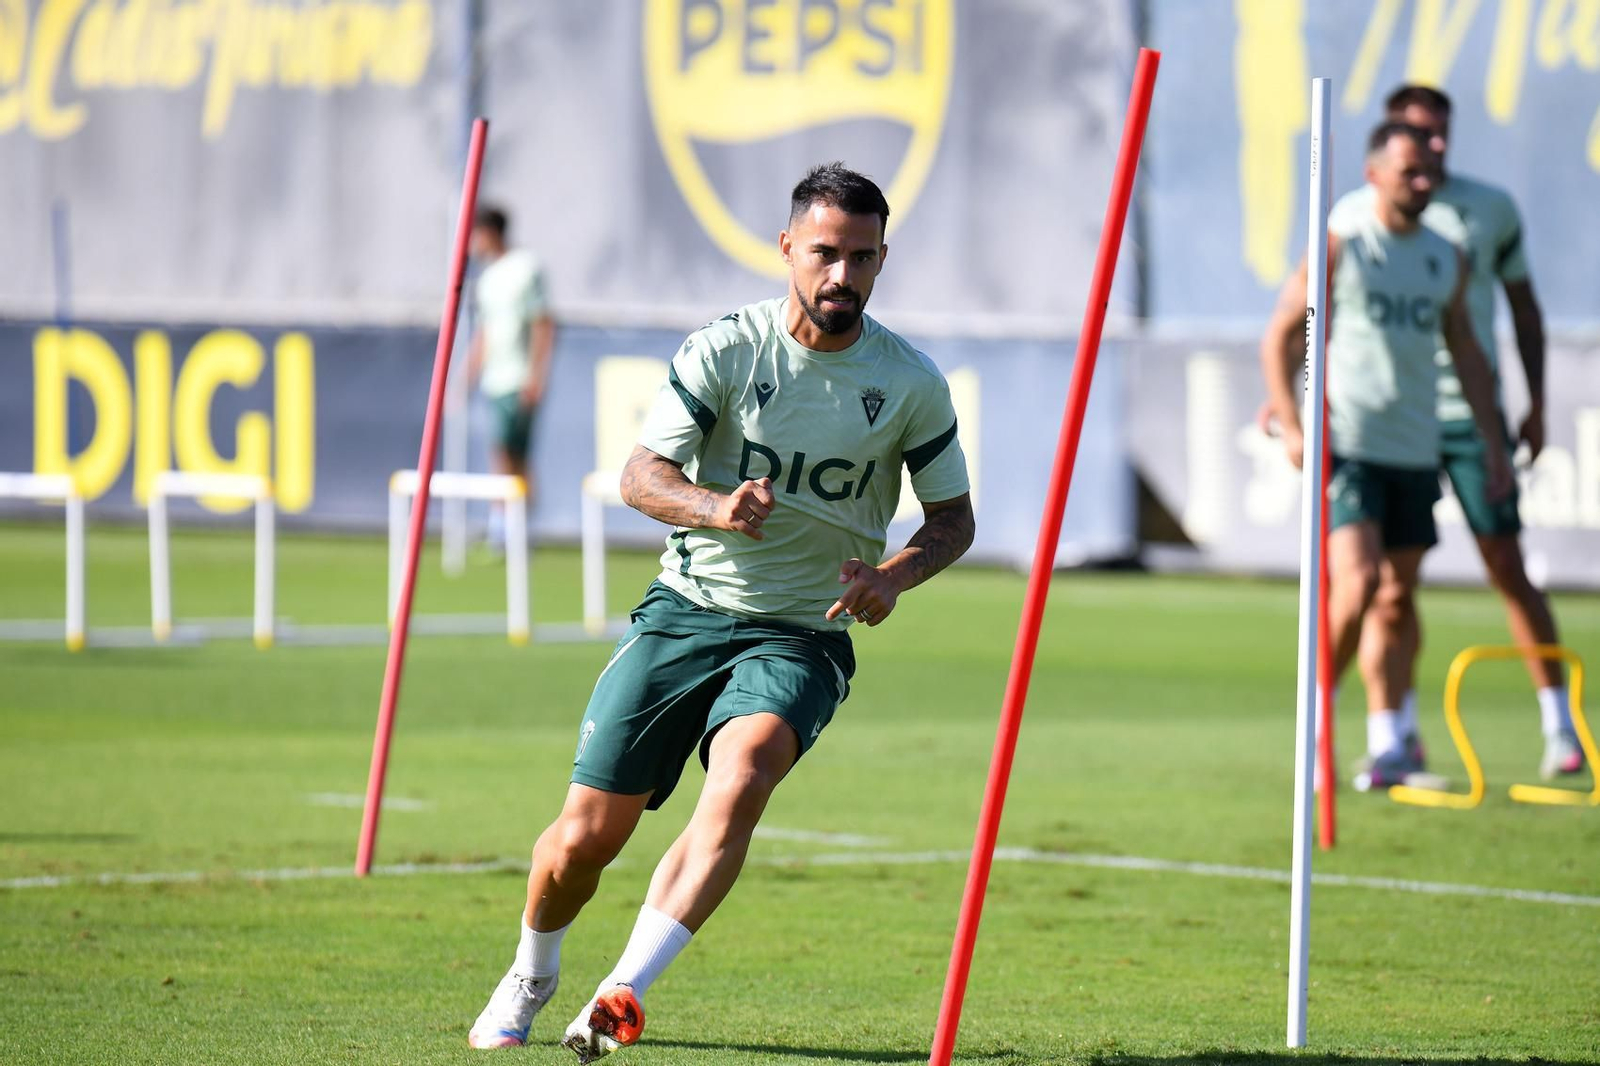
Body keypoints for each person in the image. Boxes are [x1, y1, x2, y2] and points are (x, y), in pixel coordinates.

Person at [466, 163, 975, 1060]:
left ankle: (620, 992)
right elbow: (640, 476)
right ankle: (534, 969)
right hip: (687, 610)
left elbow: (953, 520)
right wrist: (715, 508)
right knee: (582, 842)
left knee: (743, 776)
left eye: (862, 259)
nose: (841, 277)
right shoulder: (726, 351)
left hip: (805, 633)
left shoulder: (909, 383)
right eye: (825, 253)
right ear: (787, 248)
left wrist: (892, 578)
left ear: (882, 259)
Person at [1337, 85, 1579, 780]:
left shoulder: (1488, 209)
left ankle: (1560, 728)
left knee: (1507, 563)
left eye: (1442, 137)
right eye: (1417, 138)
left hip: (1470, 414)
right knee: (1383, 589)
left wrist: (1531, 404)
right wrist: (1295, 399)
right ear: (1388, 146)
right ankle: (1397, 735)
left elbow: (1521, 311)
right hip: (1387, 421)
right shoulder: (1353, 220)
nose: (1433, 152)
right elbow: (1308, 320)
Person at [1261, 122, 1511, 790]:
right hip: (1349, 443)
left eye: (1433, 167)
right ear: (1376, 174)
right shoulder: (1344, 246)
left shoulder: (1445, 257)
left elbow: (1467, 353)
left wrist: (1492, 443)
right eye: (1411, 169)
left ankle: (1389, 743)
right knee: (1360, 579)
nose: (1426, 179)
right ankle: (1317, 721)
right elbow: (1284, 335)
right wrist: (1290, 422)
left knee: (1397, 599)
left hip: (1413, 446)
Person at [467, 205, 555, 546]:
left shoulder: (525, 268)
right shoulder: (487, 279)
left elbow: (543, 323)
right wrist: (467, 375)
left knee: (509, 453)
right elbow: (485, 333)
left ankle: (510, 529)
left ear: (489, 232)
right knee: (506, 454)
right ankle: (507, 528)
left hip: (518, 378)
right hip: (496, 379)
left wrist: (536, 375)